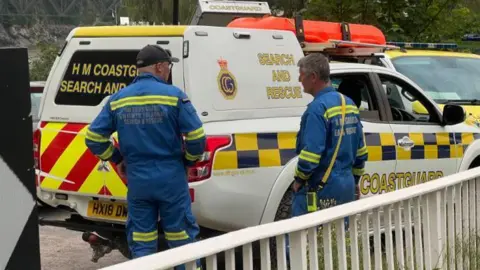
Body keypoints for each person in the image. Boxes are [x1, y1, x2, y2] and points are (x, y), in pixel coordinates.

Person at [85, 44, 206, 269]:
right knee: (182, 239)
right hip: (171, 178)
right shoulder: (174, 96)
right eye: (169, 66)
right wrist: (189, 161)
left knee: (142, 241)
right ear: (160, 66)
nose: (169, 71)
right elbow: (197, 137)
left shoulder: (118, 99)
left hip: (138, 179)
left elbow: (93, 137)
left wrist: (117, 158)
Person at [292, 53, 368, 219]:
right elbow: (361, 152)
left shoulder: (317, 109)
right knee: (338, 239)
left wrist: (299, 179)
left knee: (306, 239)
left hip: (320, 187)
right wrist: (354, 180)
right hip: (346, 185)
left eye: (302, 75)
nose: (299, 79)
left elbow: (311, 154)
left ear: (313, 77)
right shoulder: (349, 104)